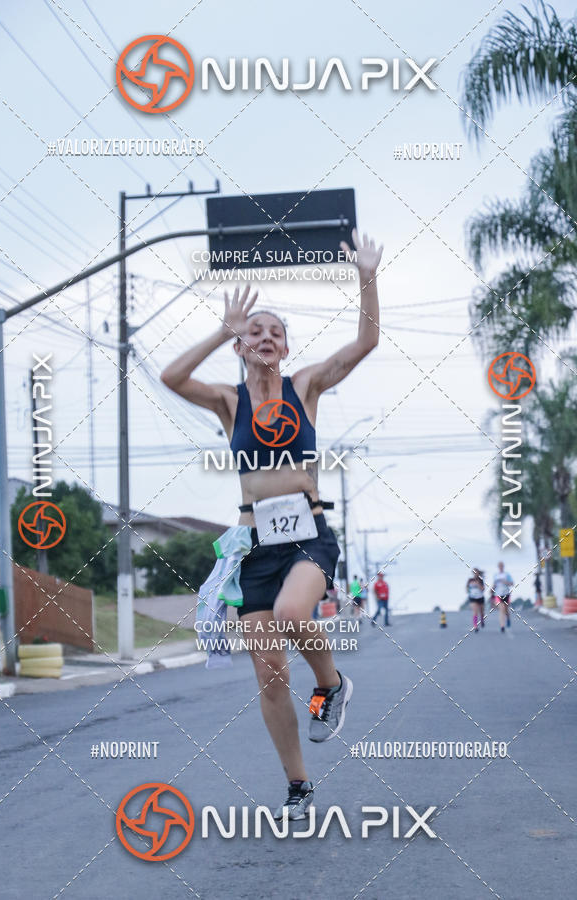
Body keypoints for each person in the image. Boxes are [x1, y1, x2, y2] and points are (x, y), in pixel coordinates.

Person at [160, 228, 383, 820]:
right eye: (254, 331)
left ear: (285, 347)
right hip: (253, 544)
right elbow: (170, 378)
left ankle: (331, 685)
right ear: (241, 345)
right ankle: (298, 786)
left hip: (308, 534)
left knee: (291, 614)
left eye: (274, 332)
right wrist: (219, 330)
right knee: (268, 673)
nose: (264, 338)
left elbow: (365, 341)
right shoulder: (228, 401)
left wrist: (366, 277)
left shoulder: (303, 386)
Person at [491, 561, 513, 632]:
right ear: (498, 567)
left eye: (501, 566)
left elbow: (511, 583)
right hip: (498, 594)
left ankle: (508, 618)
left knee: (506, 610)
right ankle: (502, 626)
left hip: (506, 594)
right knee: (501, 610)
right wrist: (491, 589)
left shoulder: (507, 575)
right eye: (499, 566)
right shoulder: (495, 575)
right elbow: (494, 584)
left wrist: (505, 582)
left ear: (503, 566)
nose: (500, 567)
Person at [466, 568, 485, 632]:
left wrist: (478, 584)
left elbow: (483, 589)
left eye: (476, 573)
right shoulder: (470, 580)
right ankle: (475, 626)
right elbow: (467, 588)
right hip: (473, 598)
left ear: (478, 573)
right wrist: (468, 590)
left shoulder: (481, 580)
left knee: (481, 612)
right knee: (475, 612)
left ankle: (482, 620)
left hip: (480, 597)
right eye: (474, 573)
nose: (475, 574)